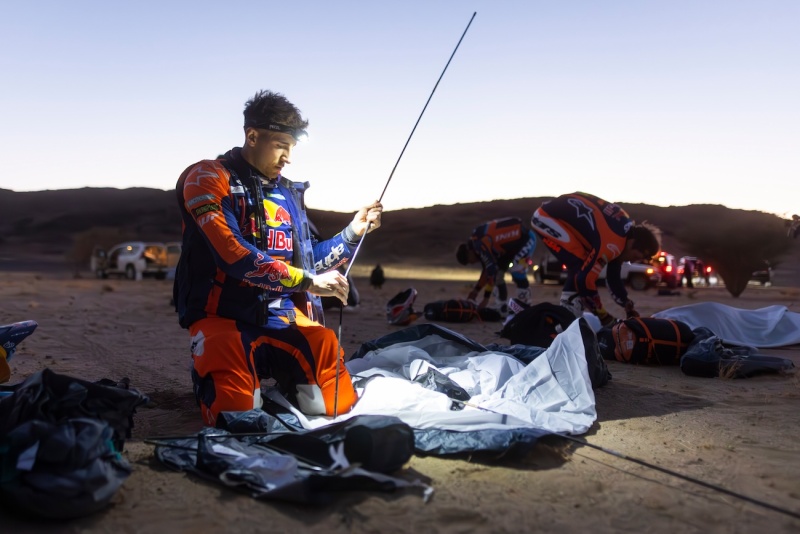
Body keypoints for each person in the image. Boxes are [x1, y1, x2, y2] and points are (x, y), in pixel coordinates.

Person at [172, 90, 383, 427]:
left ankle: (285, 379)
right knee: (236, 417)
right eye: (281, 144)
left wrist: (351, 234)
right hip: (223, 315)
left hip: (283, 316)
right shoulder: (207, 177)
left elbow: (307, 261)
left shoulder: (287, 191)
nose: (288, 157)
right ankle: (208, 371)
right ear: (252, 135)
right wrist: (310, 282)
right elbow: (233, 254)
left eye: (292, 147)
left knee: (334, 407)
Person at [530, 192, 660, 326]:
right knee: (579, 267)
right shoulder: (613, 243)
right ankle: (566, 322)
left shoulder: (625, 231)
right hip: (545, 217)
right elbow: (585, 280)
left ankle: (568, 319)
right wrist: (602, 315)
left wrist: (625, 302)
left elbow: (613, 274)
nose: (631, 261)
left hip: (557, 212)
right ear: (633, 243)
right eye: (634, 257)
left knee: (582, 263)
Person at [455, 217, 537, 312]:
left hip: (526, 239)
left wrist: (486, 298)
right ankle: (502, 305)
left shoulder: (479, 245)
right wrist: (475, 291)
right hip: (513, 246)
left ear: (469, 253)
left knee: (516, 270)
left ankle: (524, 306)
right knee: (499, 274)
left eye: (470, 261)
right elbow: (487, 270)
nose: (473, 263)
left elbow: (491, 270)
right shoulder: (476, 240)